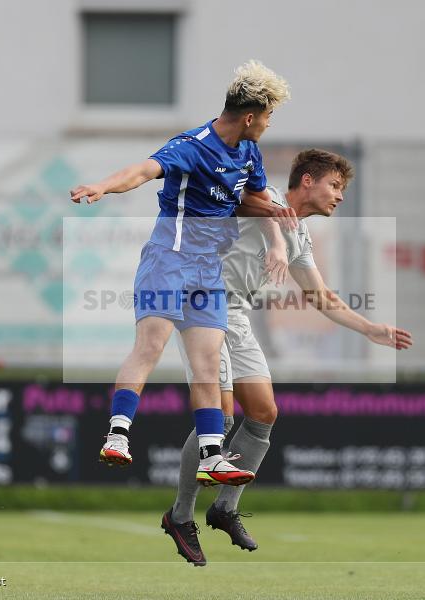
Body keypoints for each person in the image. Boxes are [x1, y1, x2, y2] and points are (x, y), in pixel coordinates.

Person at [165, 149, 413, 566]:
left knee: (264, 411)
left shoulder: (300, 235)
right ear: (308, 181)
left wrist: (371, 329)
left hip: (237, 313)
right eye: (335, 185)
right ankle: (180, 515)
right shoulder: (262, 195)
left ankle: (225, 508)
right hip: (200, 304)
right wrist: (272, 223)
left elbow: (321, 297)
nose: (339, 196)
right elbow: (229, 195)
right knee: (221, 418)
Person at [68, 60, 296, 495]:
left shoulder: (248, 153)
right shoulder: (192, 146)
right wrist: (102, 186)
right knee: (150, 346)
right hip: (168, 260)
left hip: (208, 271)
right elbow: (141, 171)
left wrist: (279, 236)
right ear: (250, 116)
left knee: (208, 363)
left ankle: (212, 457)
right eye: (268, 117)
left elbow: (252, 200)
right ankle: (117, 435)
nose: (268, 125)